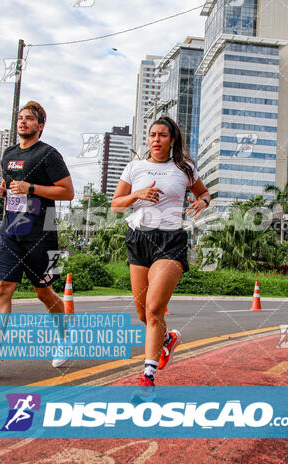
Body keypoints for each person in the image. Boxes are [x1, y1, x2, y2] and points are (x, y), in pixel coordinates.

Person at [0, 101, 74, 377]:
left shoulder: (49, 154)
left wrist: (32, 188)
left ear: (40, 125)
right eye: (20, 118)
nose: (22, 122)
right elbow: (9, 188)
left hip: (42, 233)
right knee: (2, 288)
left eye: (29, 119)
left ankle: (65, 336)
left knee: (44, 292)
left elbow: (68, 192)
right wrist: (0, 192)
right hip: (11, 231)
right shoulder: (9, 154)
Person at [111, 116, 210, 391]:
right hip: (138, 240)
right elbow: (115, 205)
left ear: (172, 140)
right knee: (144, 314)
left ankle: (148, 376)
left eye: (162, 135)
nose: (156, 139)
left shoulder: (184, 167)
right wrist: (137, 195)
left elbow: (204, 193)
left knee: (155, 307)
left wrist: (201, 201)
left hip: (170, 241)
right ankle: (167, 339)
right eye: (153, 135)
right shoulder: (134, 167)